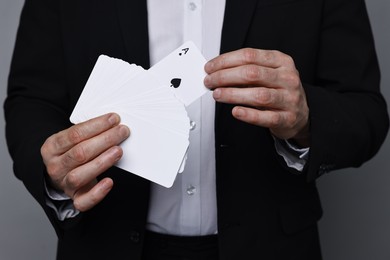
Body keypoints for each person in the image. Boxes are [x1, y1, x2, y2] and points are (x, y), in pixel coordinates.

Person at [4, 0, 389, 259]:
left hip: (269, 246)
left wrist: (306, 118)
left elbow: (365, 111)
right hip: (106, 243)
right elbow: (30, 100)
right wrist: (55, 168)